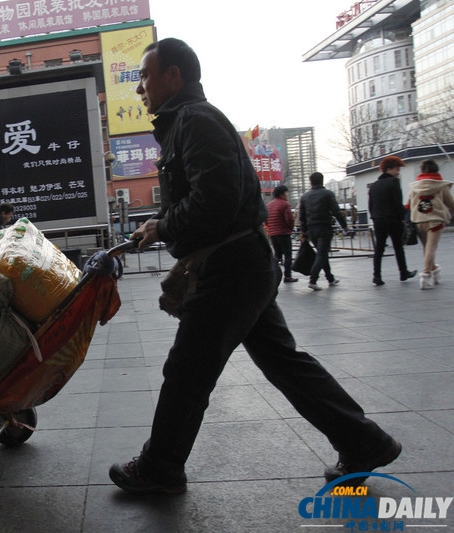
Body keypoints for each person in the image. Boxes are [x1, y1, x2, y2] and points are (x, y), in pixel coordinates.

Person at [109, 38, 400, 495]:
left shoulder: (195, 121)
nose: (139, 87)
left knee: (188, 370)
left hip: (230, 268)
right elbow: (205, 196)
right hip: (242, 263)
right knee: (284, 363)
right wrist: (159, 224)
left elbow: (215, 201)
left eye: (145, 75)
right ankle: (364, 442)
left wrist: (163, 225)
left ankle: (159, 468)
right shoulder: (186, 123)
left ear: (173, 76)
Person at [368, 156, 417, 286]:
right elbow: (397, 203)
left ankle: (376, 276)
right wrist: (403, 218)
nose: (398, 172)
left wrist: (374, 217)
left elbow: (371, 205)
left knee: (379, 249)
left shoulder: (374, 186)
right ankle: (403, 272)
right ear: (389, 169)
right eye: (397, 169)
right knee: (398, 247)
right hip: (392, 220)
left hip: (378, 220)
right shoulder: (394, 182)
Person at [407, 159, 454, 290]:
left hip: (419, 220)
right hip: (435, 220)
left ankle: (434, 268)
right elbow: (450, 203)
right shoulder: (441, 186)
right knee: (431, 247)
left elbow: (408, 204)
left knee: (426, 248)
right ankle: (426, 274)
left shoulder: (415, 187)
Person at [299, 172, 349, 291]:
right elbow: (336, 211)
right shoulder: (328, 194)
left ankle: (330, 278)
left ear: (311, 182)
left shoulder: (304, 197)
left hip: (311, 229)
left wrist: (304, 232)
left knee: (322, 253)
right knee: (322, 254)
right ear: (322, 180)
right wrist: (344, 226)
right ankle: (313, 280)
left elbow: (302, 216)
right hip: (324, 227)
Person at [266, 185, 297, 282]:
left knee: (277, 255)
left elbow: (266, 220)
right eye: (286, 193)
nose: (287, 195)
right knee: (287, 255)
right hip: (284, 233)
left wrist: (271, 229)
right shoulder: (285, 204)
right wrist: (290, 228)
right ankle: (287, 276)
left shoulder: (269, 205)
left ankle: (274, 275)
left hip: (273, 234)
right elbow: (289, 219)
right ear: (282, 194)